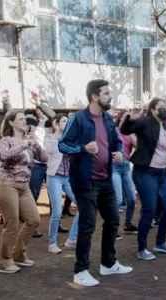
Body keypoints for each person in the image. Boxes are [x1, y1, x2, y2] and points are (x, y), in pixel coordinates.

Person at [59, 79, 132, 287]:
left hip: (106, 179)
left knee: (113, 221)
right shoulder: (78, 118)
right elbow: (63, 144)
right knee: (87, 226)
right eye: (107, 93)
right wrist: (83, 148)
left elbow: (116, 141)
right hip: (85, 182)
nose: (111, 96)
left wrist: (118, 152)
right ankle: (80, 271)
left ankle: (108, 264)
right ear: (94, 96)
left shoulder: (108, 119)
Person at [120, 96, 166, 261]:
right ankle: (142, 248)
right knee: (150, 209)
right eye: (160, 107)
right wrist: (130, 118)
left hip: (163, 173)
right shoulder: (145, 122)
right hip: (145, 172)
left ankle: (160, 242)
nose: (164, 109)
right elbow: (125, 130)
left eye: (165, 107)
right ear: (153, 110)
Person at [1, 90, 67, 238]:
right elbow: (11, 116)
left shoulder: (52, 124)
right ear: (36, 112)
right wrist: (6, 101)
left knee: (53, 196)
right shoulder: (30, 123)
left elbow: (52, 114)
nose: (41, 112)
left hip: (51, 165)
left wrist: (39, 102)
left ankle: (56, 222)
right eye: (39, 110)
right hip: (36, 165)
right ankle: (29, 224)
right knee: (33, 193)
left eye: (43, 109)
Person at [0, 110, 48, 273]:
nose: (25, 121)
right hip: (7, 184)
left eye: (25, 119)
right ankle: (4, 262)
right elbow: (3, 156)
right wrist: (22, 146)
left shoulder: (28, 140)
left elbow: (44, 158)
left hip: (24, 186)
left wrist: (35, 144)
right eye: (21, 119)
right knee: (11, 223)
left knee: (33, 220)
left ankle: (18, 254)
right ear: (11, 122)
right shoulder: (5, 140)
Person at [44, 114, 80, 254]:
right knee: (57, 211)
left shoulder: (72, 138)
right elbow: (51, 149)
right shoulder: (50, 138)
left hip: (68, 178)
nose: (67, 123)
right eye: (64, 121)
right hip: (54, 177)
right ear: (56, 124)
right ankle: (52, 243)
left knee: (82, 206)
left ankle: (72, 239)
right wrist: (59, 134)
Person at [112, 110, 138, 236]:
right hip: (114, 166)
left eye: (129, 117)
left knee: (132, 199)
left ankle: (128, 224)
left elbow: (137, 145)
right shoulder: (113, 130)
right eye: (125, 117)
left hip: (126, 166)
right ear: (120, 118)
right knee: (118, 199)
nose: (127, 119)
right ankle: (113, 229)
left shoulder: (130, 133)